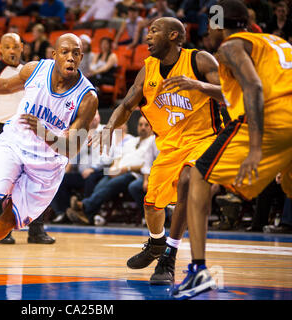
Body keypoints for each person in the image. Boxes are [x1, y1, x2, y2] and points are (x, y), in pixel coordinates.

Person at [0, 33, 98, 277]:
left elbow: (72, 148)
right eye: (64, 52)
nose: (70, 57)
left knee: (11, 220)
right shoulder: (35, 69)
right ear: (54, 55)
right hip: (15, 142)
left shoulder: (87, 98)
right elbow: (6, 86)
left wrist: (44, 132)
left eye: (75, 53)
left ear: (81, 57)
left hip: (48, 163)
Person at [173, 0, 292, 299]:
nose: (206, 34)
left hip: (275, 119)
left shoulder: (229, 46)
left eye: (209, 27)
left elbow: (253, 88)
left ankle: (198, 270)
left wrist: (255, 148)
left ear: (217, 25)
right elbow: (237, 92)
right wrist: (200, 87)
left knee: (198, 175)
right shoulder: (273, 41)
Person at [92, 17, 223, 286]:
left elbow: (232, 92)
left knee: (188, 183)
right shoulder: (149, 69)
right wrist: (109, 126)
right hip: (170, 145)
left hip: (204, 140)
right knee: (151, 203)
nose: (147, 36)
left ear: (174, 35)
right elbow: (127, 104)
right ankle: (155, 243)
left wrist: (199, 85)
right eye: (148, 31)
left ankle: (169, 257)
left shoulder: (200, 60)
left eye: (154, 31)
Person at [0, 33, 56, 245]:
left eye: (15, 46)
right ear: (0, 50)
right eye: (7, 47)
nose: (12, 50)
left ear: (22, 48)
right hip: (1, 129)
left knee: (36, 179)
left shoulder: (31, 71)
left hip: (28, 130)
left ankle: (36, 230)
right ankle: (2, 232)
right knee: (2, 179)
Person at [68, 116, 157, 225]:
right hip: (119, 171)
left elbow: (148, 164)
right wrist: (113, 169)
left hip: (133, 174)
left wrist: (124, 169)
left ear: (152, 127)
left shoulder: (153, 142)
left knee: (110, 184)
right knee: (101, 182)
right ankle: (88, 214)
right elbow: (118, 157)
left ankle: (84, 206)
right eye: (140, 125)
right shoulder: (132, 141)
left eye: (146, 125)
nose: (143, 127)